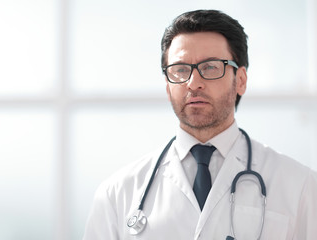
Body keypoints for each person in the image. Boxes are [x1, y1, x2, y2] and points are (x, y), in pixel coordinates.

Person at [83, 10, 317, 239]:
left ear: (241, 81)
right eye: (180, 70)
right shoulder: (116, 194)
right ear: (167, 87)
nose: (194, 83)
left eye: (210, 67)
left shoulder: (299, 186)